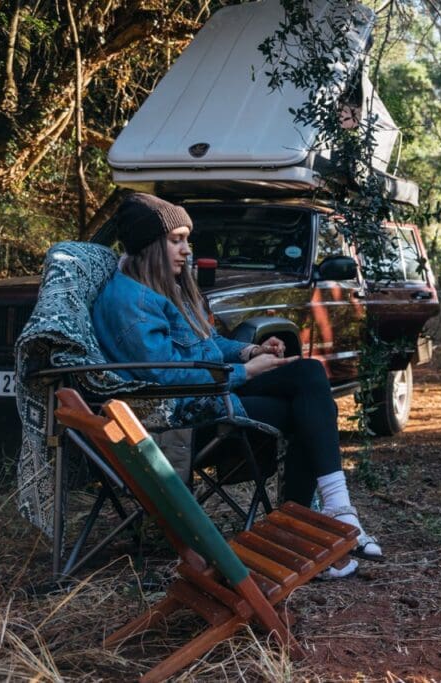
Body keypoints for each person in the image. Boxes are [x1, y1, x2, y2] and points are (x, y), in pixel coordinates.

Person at [91, 193, 381, 576]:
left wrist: (249, 351)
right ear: (149, 244)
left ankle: (324, 517)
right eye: (175, 240)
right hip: (181, 415)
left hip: (206, 395)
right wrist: (247, 373)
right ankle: (312, 526)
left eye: (185, 240)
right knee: (304, 408)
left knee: (308, 376)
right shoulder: (129, 300)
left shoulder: (161, 290)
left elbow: (205, 347)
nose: (186, 250)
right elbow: (163, 376)